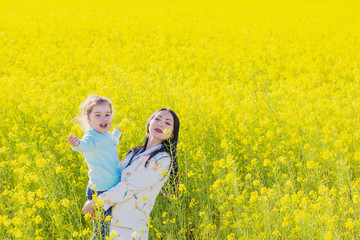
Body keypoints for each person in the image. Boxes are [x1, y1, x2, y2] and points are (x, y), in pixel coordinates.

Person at [82, 108, 180, 240]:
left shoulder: (162, 159)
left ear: (172, 134)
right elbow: (113, 177)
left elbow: (130, 186)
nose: (161, 124)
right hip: (107, 223)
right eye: (157, 119)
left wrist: (97, 202)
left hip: (128, 230)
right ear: (149, 123)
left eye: (167, 123)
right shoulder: (134, 152)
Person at [68, 95, 123, 239]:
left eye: (107, 114)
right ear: (89, 119)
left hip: (112, 187)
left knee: (113, 228)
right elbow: (85, 146)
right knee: (101, 233)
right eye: (98, 115)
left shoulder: (107, 135)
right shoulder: (91, 136)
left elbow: (113, 142)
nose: (103, 118)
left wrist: (117, 132)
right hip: (100, 190)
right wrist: (76, 143)